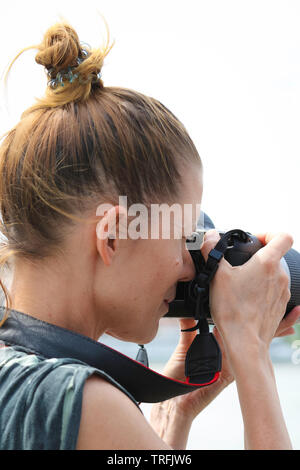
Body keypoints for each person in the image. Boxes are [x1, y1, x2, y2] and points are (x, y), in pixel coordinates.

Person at [0, 19, 299, 451]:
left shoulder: (27, 384)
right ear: (114, 237)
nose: (185, 266)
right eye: (182, 238)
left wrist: (174, 409)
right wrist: (253, 355)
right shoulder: (86, 404)